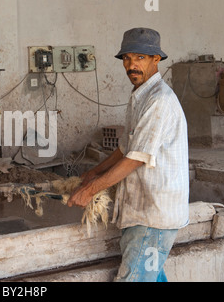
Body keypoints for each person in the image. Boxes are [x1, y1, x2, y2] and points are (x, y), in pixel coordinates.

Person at [67, 27, 189, 282]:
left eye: (140, 58)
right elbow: (125, 148)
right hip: (143, 209)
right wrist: (94, 172)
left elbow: (135, 158)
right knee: (150, 276)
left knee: (134, 278)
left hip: (153, 214)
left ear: (157, 60)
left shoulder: (159, 100)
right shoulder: (140, 95)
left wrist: (89, 191)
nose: (132, 65)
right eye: (127, 58)